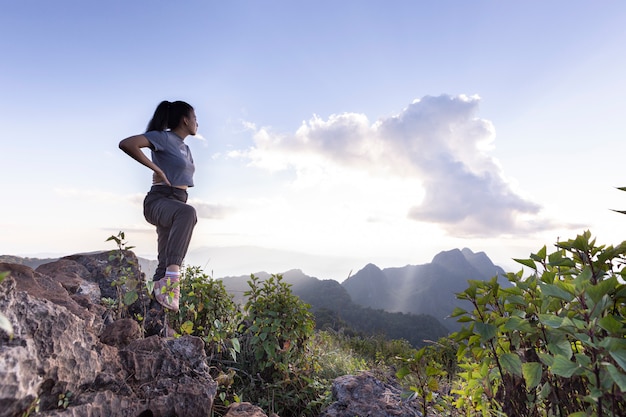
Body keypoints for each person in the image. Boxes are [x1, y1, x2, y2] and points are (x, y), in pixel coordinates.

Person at [119, 100, 198, 312]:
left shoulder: (186, 149)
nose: (197, 123)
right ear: (185, 120)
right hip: (160, 201)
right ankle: (174, 276)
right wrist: (156, 169)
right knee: (189, 214)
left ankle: (156, 317)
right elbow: (127, 143)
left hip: (177, 203)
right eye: (195, 118)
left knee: (163, 264)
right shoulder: (163, 137)